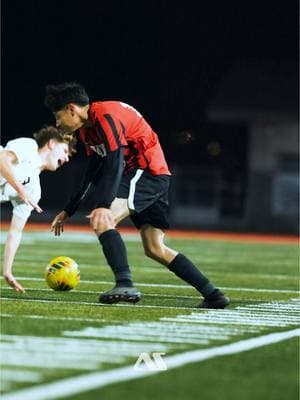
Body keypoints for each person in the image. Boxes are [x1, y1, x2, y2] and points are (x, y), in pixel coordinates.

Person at [44, 82, 230, 308]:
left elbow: (115, 161)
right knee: (155, 249)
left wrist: (103, 204)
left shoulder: (106, 116)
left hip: (146, 173)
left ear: (72, 108)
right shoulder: (86, 130)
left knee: (103, 220)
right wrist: (69, 208)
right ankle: (213, 294)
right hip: (151, 176)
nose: (57, 122)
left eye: (58, 115)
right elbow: (95, 168)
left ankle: (125, 283)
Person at [0, 126, 75, 293]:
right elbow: (2, 160)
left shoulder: (34, 190)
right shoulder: (29, 146)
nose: (67, 159)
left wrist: (7, 271)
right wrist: (20, 189)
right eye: (64, 151)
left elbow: (15, 232)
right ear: (51, 143)